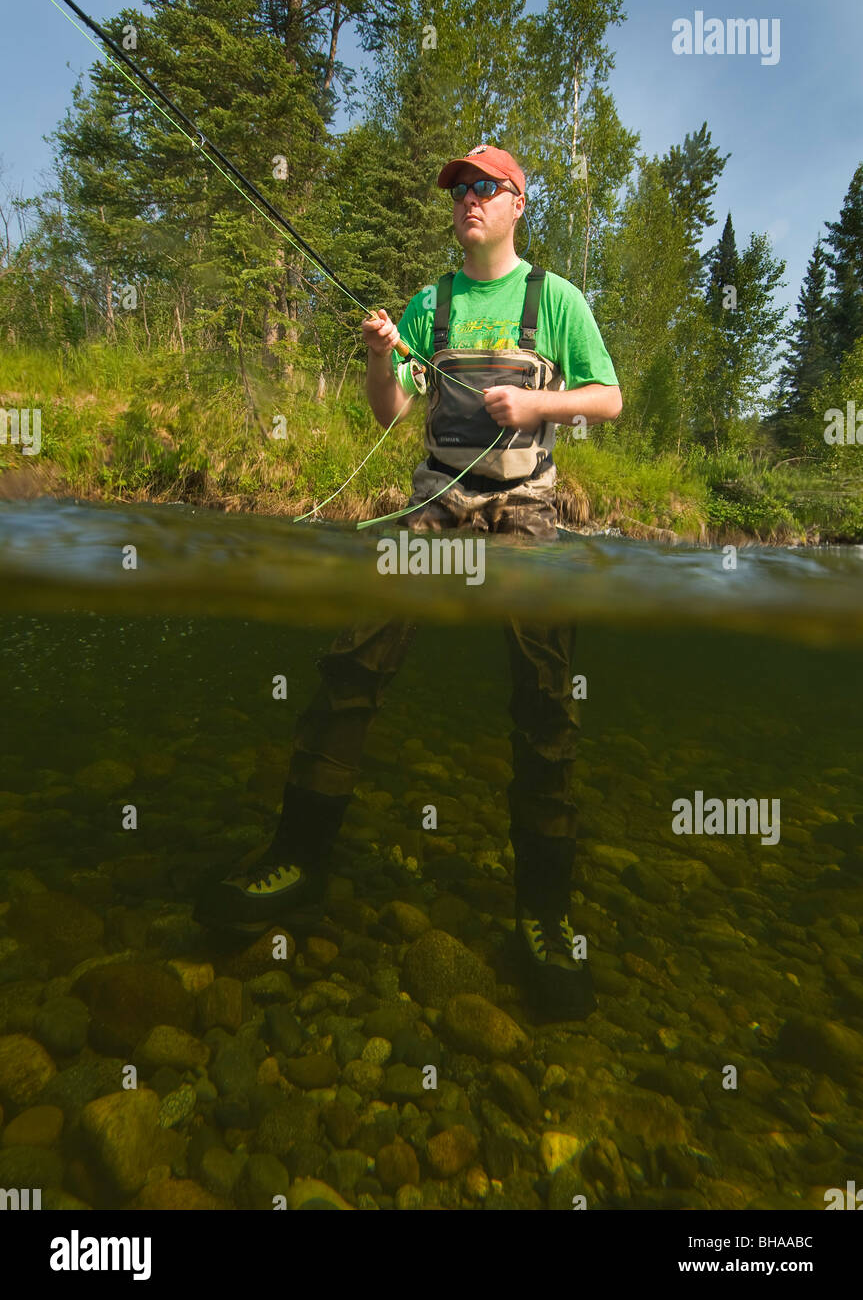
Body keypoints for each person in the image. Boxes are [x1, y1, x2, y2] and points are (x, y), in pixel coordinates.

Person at [195, 145, 622, 1017]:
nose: (464, 200)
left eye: (481, 188)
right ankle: (298, 859)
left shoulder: (558, 300)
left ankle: (543, 912)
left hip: (526, 512)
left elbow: (608, 397)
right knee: (353, 657)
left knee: (546, 697)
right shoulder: (431, 302)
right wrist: (382, 355)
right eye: (456, 190)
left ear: (516, 204)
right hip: (435, 504)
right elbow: (388, 414)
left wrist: (538, 405)